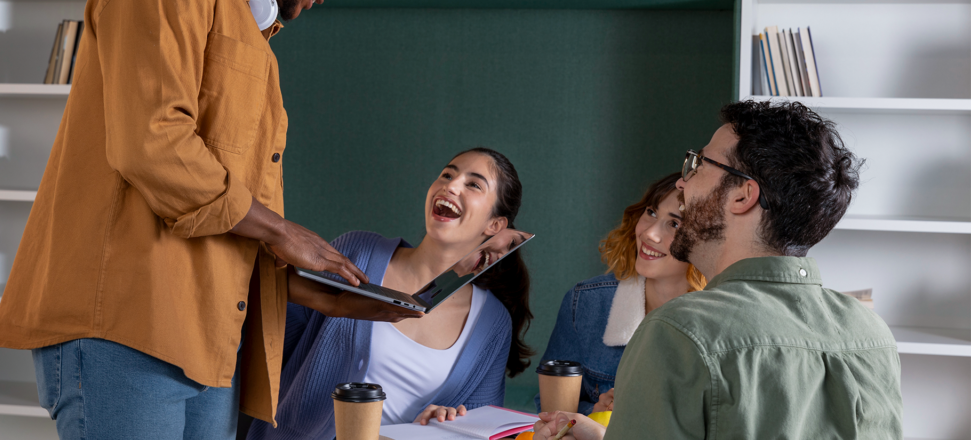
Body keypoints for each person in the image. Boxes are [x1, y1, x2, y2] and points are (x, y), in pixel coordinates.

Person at [0, 0, 421, 439]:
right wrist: (280, 232)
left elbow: (222, 213)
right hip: (125, 331)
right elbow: (155, 142)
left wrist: (311, 290)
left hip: (210, 342)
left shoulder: (251, 25)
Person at [534, 101, 903, 440]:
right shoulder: (871, 333)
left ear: (742, 195)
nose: (682, 181)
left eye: (699, 164)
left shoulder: (678, 330)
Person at [248, 148, 535, 440]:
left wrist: (445, 423)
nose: (450, 185)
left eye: (473, 184)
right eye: (447, 174)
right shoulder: (358, 252)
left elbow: (483, 429)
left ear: (495, 226)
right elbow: (272, 331)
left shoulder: (493, 323)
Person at [534, 172, 705, 415]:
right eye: (651, 213)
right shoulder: (587, 302)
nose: (649, 233)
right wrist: (595, 411)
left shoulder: (723, 323)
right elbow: (550, 406)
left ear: (707, 241)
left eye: (675, 223)